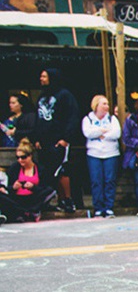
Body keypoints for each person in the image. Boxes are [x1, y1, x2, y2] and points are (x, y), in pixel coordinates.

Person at [34, 68, 80, 213]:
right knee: (49, 171)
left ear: (52, 78)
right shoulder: (42, 96)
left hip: (59, 140)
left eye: (44, 76)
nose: (41, 79)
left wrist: (66, 138)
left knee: (62, 170)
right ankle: (55, 200)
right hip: (44, 142)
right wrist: (37, 138)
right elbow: (38, 119)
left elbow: (72, 117)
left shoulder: (65, 95)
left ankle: (67, 200)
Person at [82, 94, 121, 218]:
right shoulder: (88, 119)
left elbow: (116, 133)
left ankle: (109, 207)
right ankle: (98, 208)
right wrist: (103, 131)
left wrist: (100, 133)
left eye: (107, 104)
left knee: (110, 180)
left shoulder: (112, 119)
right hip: (94, 154)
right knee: (96, 181)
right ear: (96, 105)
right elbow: (88, 133)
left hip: (111, 153)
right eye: (104, 104)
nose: (107, 106)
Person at [0, 138, 57, 222]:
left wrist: (33, 187)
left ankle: (25, 212)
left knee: (50, 191)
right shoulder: (15, 168)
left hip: (34, 198)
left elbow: (45, 187)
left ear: (30, 156)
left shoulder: (40, 168)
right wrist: (13, 187)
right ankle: (26, 212)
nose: (20, 160)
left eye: (23, 157)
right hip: (17, 198)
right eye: (18, 157)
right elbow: (8, 188)